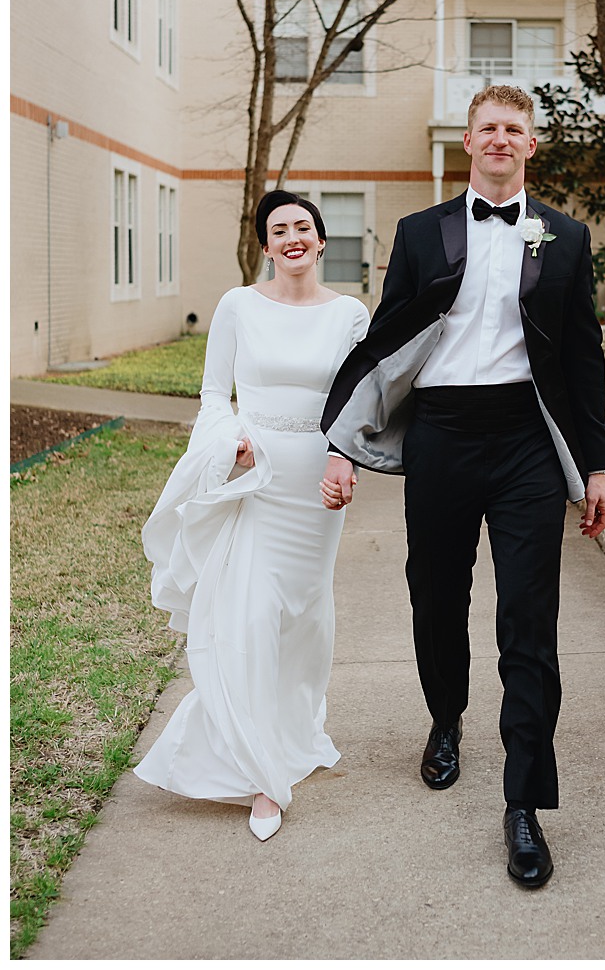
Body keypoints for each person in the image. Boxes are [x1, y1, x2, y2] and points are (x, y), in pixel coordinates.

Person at [319, 84, 605, 889]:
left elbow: (583, 359)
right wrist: (342, 440)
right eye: (487, 127)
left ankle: (524, 802)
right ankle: (445, 718)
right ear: (467, 140)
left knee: (529, 616)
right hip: (443, 436)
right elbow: (386, 342)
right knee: (436, 595)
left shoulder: (565, 236)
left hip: (524, 440)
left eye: (514, 129)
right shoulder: (422, 233)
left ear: (531, 146)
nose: (499, 138)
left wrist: (597, 467)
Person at [136, 190, 370, 842]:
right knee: (251, 616)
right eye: (279, 230)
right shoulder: (237, 305)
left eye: (303, 227)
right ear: (266, 246)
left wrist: (346, 459)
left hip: (319, 489)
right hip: (257, 480)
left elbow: (360, 401)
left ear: (321, 241)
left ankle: (294, 730)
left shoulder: (351, 314)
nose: (293, 237)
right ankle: (264, 776)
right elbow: (215, 393)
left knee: (304, 621)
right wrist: (229, 440)